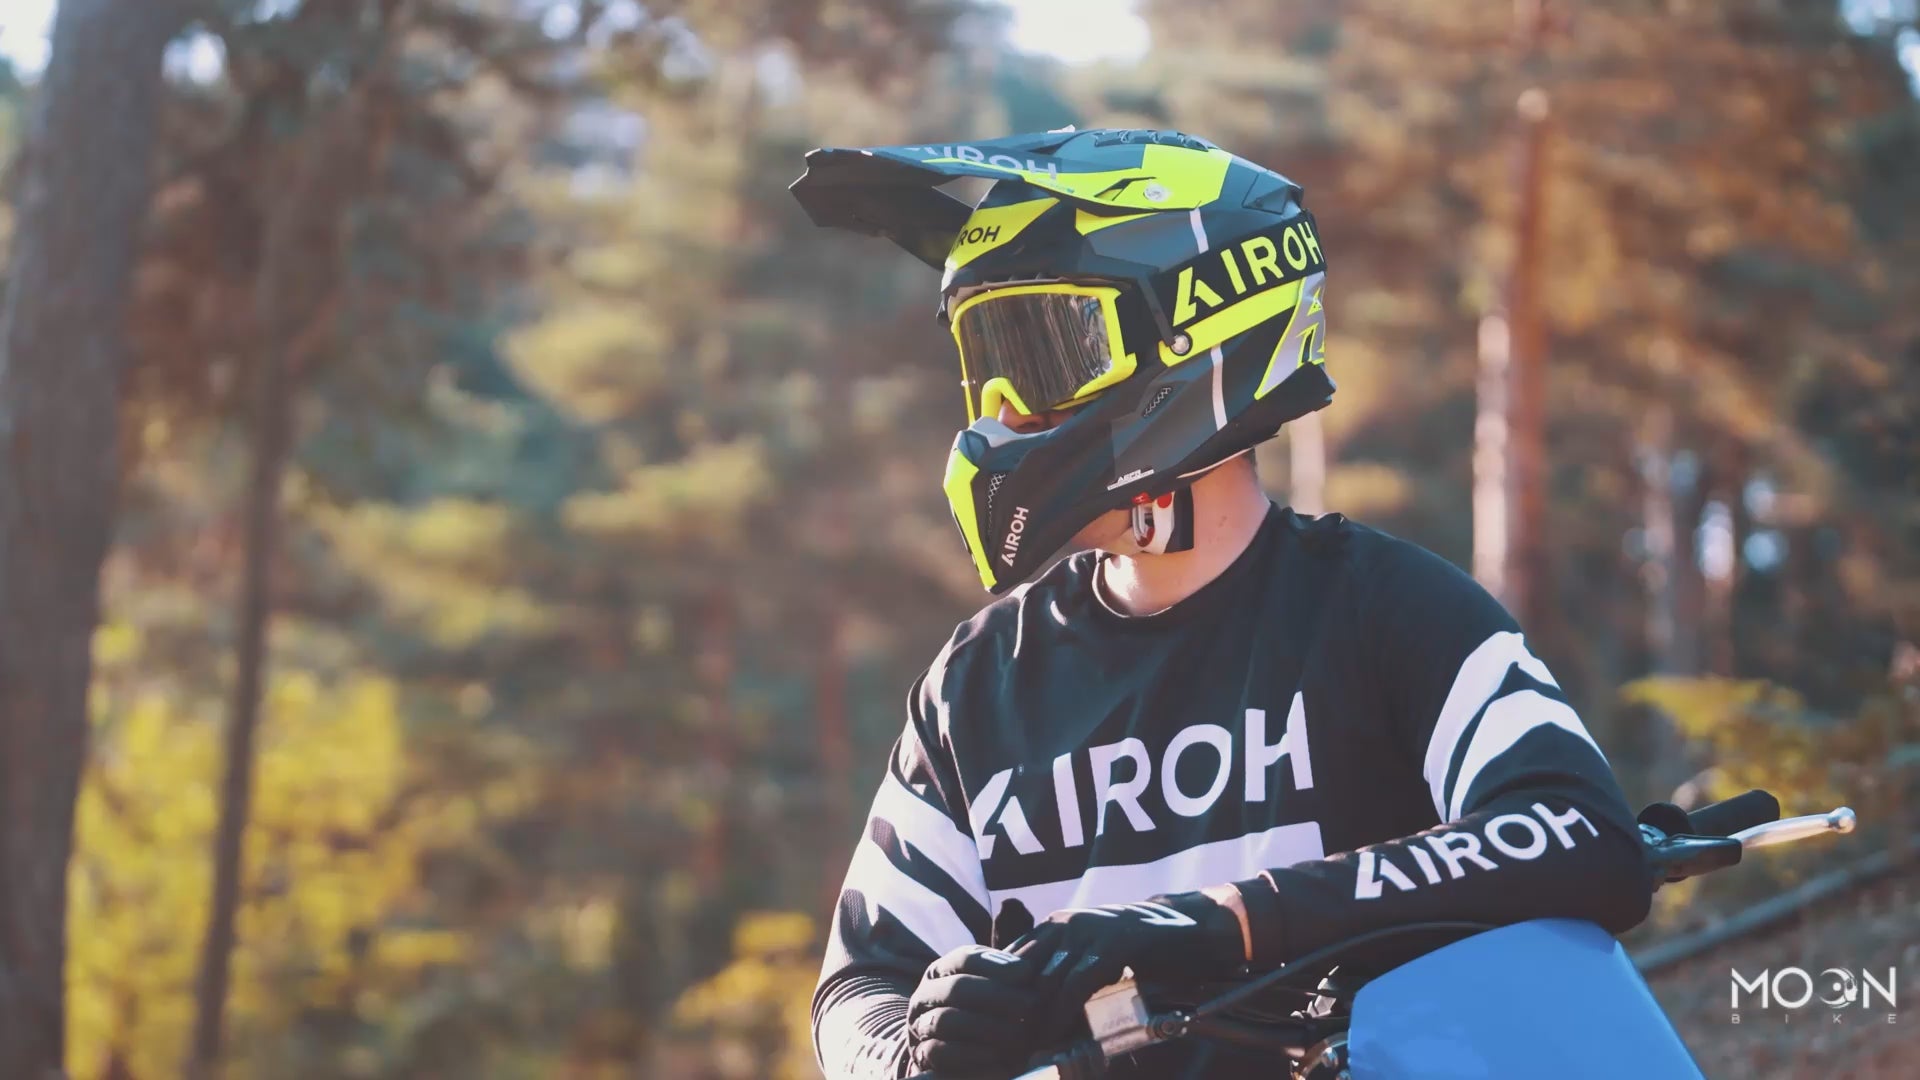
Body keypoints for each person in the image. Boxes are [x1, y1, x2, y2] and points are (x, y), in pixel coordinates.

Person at [789, 129, 1654, 1078]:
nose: (1001, 409)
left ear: (1194, 343)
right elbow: (858, 985)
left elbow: (1581, 834)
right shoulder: (977, 684)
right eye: (985, 361)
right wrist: (913, 1053)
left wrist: (1218, 925)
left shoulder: (1383, 607)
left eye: (1043, 355)